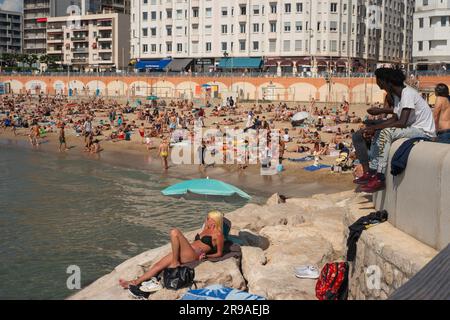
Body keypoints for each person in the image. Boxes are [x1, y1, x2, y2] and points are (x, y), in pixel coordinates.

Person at [360, 68, 436, 193]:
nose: (379, 86)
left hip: (423, 131)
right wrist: (374, 128)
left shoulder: (408, 93)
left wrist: (376, 127)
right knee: (380, 131)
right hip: (412, 128)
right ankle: (373, 171)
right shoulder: (397, 96)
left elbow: (402, 122)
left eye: (380, 83)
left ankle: (380, 177)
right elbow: (394, 119)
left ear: (387, 82)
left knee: (386, 132)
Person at [118, 211, 225, 289]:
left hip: (193, 255)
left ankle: (175, 262)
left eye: (210, 218)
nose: (207, 220)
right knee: (158, 266)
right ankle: (134, 282)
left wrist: (206, 256)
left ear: (216, 221)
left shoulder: (218, 234)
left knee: (174, 232)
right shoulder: (205, 228)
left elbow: (219, 253)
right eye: (207, 217)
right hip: (187, 250)